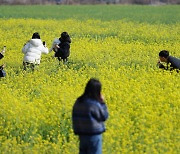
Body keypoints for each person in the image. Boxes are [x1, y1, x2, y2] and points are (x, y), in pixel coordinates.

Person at [72, 78, 109, 154]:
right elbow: (104, 116)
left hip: (82, 135)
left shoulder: (78, 101)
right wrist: (102, 102)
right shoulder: (93, 104)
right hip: (93, 136)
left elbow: (74, 117)